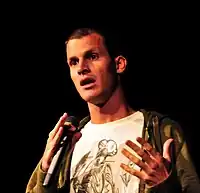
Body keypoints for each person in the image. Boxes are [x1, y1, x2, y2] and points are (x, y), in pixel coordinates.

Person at [25, 27, 200, 193]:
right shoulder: (67, 145)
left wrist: (164, 186)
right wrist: (45, 170)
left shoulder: (161, 132)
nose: (81, 69)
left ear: (119, 64)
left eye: (92, 56)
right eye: (74, 62)